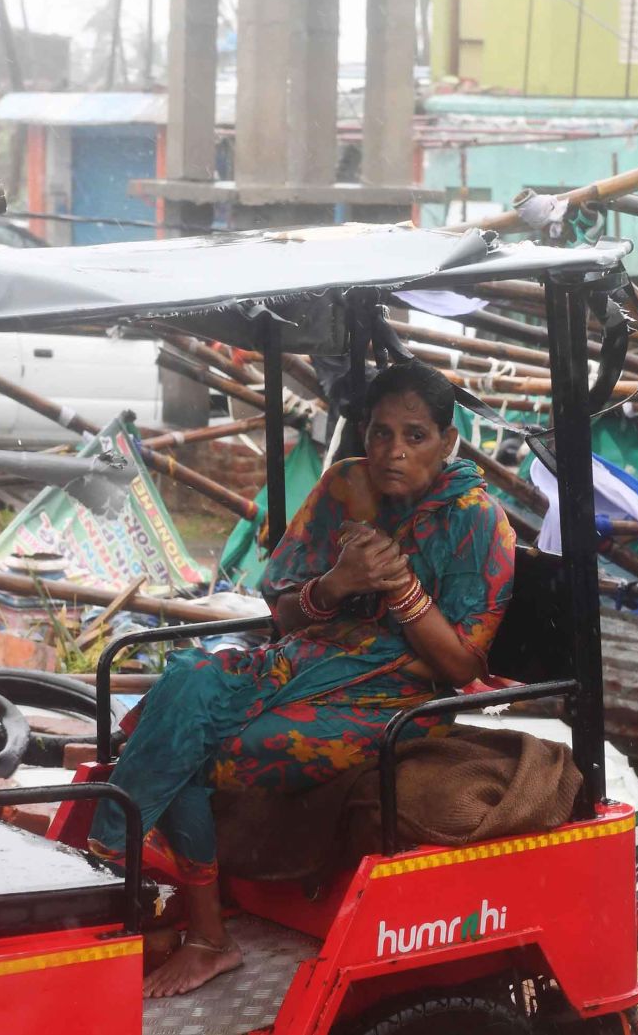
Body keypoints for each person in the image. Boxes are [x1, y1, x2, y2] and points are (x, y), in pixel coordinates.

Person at [89, 360, 517, 998]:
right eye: (379, 433)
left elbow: (459, 668)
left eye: (415, 435)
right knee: (188, 679)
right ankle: (151, 890)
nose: (393, 451)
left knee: (196, 746)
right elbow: (285, 615)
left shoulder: (477, 521)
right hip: (301, 662)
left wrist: (400, 588)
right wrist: (338, 582)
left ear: (448, 441)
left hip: (391, 697)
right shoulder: (346, 486)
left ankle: (155, 902)